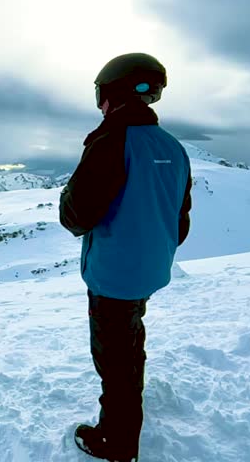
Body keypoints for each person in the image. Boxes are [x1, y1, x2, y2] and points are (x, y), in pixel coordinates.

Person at [59, 53, 193, 462]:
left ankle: (116, 443)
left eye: (101, 96)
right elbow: (180, 223)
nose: (100, 104)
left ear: (111, 93)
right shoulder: (174, 148)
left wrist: (66, 197)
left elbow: (76, 216)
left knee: (112, 356)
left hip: (113, 274)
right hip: (150, 269)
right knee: (130, 339)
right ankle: (131, 402)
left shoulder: (111, 141)